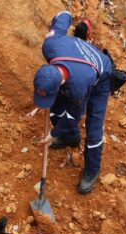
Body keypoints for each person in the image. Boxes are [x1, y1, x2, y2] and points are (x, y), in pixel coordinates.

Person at [33, 11, 112, 194]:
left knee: (93, 129)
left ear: (61, 83)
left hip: (101, 74)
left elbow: (73, 115)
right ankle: (71, 138)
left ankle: (92, 171)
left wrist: (53, 133)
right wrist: (60, 19)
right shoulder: (49, 45)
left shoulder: (77, 86)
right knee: (56, 107)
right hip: (79, 58)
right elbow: (64, 15)